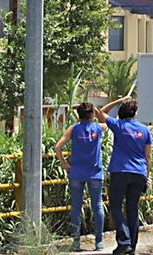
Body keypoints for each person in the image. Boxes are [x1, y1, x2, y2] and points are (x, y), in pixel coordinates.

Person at [96, 96, 151, 255]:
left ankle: (124, 241)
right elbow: (148, 156)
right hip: (139, 172)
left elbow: (101, 112)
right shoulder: (144, 129)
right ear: (135, 113)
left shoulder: (118, 125)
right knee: (132, 208)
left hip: (120, 170)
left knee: (115, 206)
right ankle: (131, 247)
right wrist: (148, 176)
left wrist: (119, 101)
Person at [54, 102, 106, 252]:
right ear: (91, 114)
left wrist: (65, 164)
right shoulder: (98, 128)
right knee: (97, 206)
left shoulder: (73, 129)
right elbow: (105, 121)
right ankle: (99, 242)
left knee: (76, 207)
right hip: (95, 173)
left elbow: (58, 147)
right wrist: (96, 109)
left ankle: (76, 242)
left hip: (76, 173)